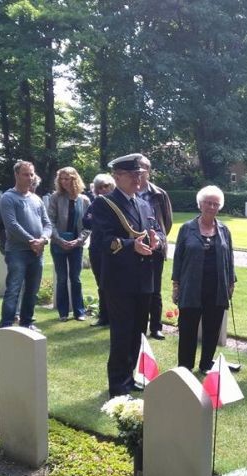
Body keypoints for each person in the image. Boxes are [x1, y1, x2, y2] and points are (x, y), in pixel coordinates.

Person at [91, 153, 164, 397]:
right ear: (117, 176)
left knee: (137, 333)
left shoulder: (143, 203)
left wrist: (155, 240)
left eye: (140, 174)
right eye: (132, 175)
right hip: (119, 280)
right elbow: (104, 240)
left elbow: (154, 230)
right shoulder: (104, 204)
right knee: (122, 334)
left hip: (143, 277)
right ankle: (118, 385)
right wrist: (131, 245)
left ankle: (129, 377)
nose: (137, 179)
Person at [172, 186, 236, 374]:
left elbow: (230, 258)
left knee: (212, 329)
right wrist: (176, 285)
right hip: (191, 287)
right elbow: (178, 258)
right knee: (187, 329)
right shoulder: (187, 228)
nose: (212, 207)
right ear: (200, 204)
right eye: (208, 203)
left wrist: (231, 282)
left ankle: (206, 364)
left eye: (215, 204)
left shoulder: (224, 230)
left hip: (216, 288)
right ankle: (185, 367)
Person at [0, 160, 52, 330]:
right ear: (16, 175)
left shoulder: (36, 199)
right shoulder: (8, 198)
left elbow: (47, 224)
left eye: (31, 174)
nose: (30, 178)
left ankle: (27, 322)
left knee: (32, 289)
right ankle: (7, 324)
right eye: (25, 174)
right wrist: (31, 241)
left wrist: (43, 239)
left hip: (37, 252)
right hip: (17, 252)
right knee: (14, 288)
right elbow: (11, 225)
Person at [47, 167, 91, 322]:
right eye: (61, 179)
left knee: (76, 278)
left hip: (76, 245)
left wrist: (79, 240)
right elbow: (50, 221)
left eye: (67, 178)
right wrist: (59, 240)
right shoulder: (55, 198)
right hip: (58, 243)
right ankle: (63, 312)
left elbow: (88, 225)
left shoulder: (84, 200)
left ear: (74, 179)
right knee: (62, 278)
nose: (64, 182)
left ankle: (79, 311)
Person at [139, 156, 174, 340]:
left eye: (143, 168)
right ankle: (139, 327)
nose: (139, 172)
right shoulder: (128, 193)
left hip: (155, 247)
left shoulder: (159, 194)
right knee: (138, 290)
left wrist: (158, 239)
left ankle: (155, 327)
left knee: (155, 289)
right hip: (134, 248)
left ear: (149, 171)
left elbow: (167, 221)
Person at [82, 174, 115, 326]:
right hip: (96, 247)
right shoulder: (94, 203)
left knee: (112, 283)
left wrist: (96, 219)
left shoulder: (116, 204)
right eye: (99, 187)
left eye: (106, 186)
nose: (103, 189)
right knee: (100, 283)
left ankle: (114, 316)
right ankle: (104, 316)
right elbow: (86, 221)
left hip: (112, 248)